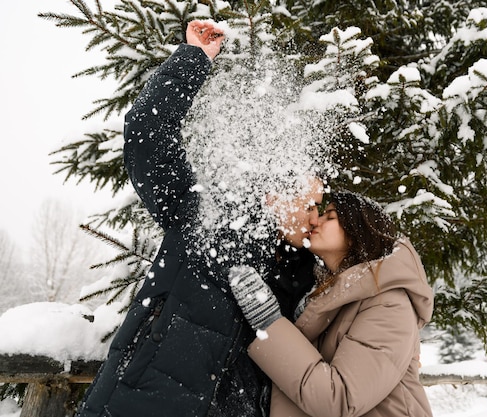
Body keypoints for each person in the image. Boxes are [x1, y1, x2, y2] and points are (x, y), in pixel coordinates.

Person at [77, 20, 321, 417]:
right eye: (304, 200)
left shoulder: (309, 277)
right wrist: (194, 59)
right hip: (137, 405)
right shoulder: (205, 214)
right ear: (275, 192)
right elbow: (147, 133)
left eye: (318, 207)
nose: (312, 217)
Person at [230, 191, 435, 417]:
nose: (316, 220)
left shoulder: (389, 304)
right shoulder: (330, 295)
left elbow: (339, 400)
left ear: (356, 231)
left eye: (330, 216)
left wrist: (270, 324)